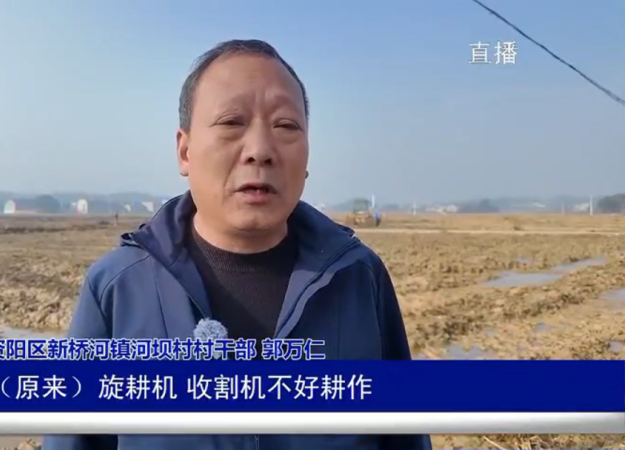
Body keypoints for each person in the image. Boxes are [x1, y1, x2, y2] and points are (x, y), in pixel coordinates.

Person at [43, 39, 431, 450]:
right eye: (231, 122)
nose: (260, 151)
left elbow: (404, 437)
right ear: (185, 151)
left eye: (286, 126)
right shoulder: (117, 286)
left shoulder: (357, 276)